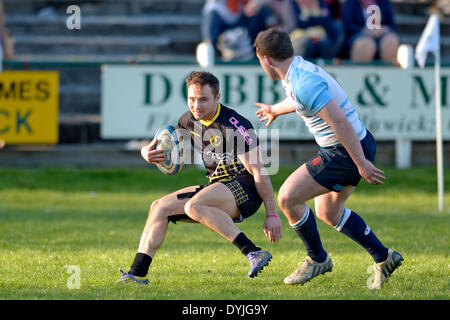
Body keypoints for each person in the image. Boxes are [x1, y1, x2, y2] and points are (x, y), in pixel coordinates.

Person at [252, 28, 403, 289]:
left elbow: (340, 123)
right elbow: (299, 101)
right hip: (356, 144)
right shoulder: (298, 70)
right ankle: (384, 256)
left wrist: (361, 163)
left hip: (345, 151)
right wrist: (275, 110)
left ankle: (317, 259)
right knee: (328, 211)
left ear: (265, 59)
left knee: (288, 197)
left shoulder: (302, 82)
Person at [117, 71, 282, 284]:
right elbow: (164, 143)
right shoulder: (187, 120)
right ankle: (136, 274)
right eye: (192, 99)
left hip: (245, 189)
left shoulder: (236, 125)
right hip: (217, 186)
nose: (196, 106)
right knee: (159, 207)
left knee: (193, 206)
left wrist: (272, 214)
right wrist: (146, 152)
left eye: (203, 99)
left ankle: (253, 252)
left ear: (217, 98)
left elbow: (259, 171)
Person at [201, 0, 275, 60]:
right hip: (222, 25)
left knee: (261, 12)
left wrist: (258, 2)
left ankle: (260, 56)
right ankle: (212, 54)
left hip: (243, 20)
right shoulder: (214, 10)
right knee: (211, 30)